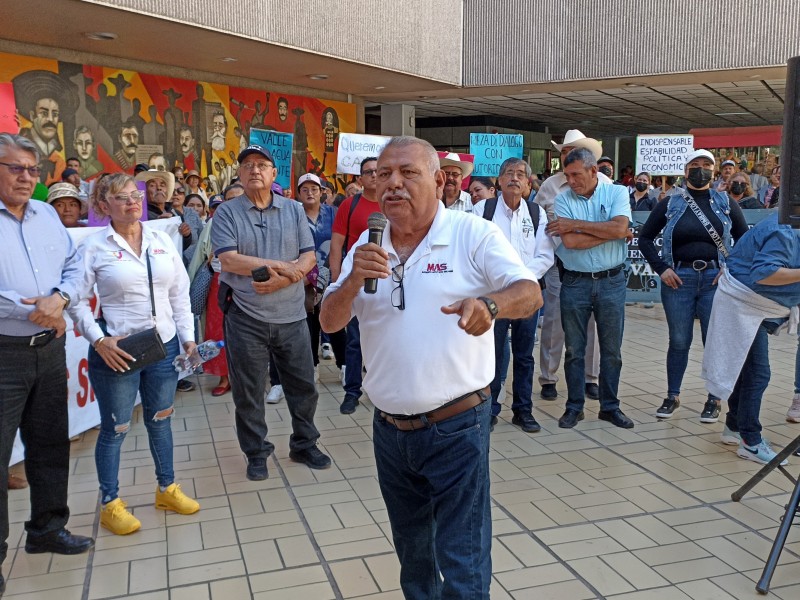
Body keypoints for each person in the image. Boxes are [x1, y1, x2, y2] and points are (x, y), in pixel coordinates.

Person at [320, 136, 541, 598]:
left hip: (456, 427)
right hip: (389, 431)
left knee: (461, 556)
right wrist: (354, 278)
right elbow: (329, 320)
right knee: (413, 555)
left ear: (440, 181)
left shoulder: (471, 234)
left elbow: (529, 292)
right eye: (384, 175)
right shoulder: (368, 240)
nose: (392, 185)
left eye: (408, 173)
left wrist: (489, 304)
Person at [69, 173, 200, 535]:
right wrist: (98, 340)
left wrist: (188, 339)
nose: (132, 202)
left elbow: (179, 294)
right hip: (119, 350)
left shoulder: (160, 239)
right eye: (122, 197)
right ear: (102, 206)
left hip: (164, 345)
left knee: (161, 418)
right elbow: (75, 301)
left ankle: (167, 488)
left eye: (135, 196)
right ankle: (111, 503)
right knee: (115, 428)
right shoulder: (94, 246)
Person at [0, 134, 94, 592]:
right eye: (15, 168)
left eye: (33, 171)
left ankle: (46, 529)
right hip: (4, 351)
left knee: (50, 444)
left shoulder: (45, 217)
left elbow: (75, 266)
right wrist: (32, 310)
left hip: (49, 348)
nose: (26, 178)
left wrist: (59, 300)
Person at [211, 145, 331, 480]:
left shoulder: (293, 210)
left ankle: (304, 443)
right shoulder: (227, 213)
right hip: (246, 317)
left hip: (292, 314)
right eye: (247, 165)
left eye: (262, 165)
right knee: (249, 391)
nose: (254, 170)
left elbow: (308, 256)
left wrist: (282, 281)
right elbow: (229, 259)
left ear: (274, 174)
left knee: (303, 386)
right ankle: (256, 451)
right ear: (240, 173)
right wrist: (282, 267)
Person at [638, 149, 748, 422]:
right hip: (678, 280)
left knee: (713, 341)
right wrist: (661, 269)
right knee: (678, 340)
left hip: (714, 281)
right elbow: (645, 239)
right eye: (695, 165)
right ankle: (672, 395)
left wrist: (729, 269)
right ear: (685, 170)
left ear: (715, 170)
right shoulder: (670, 203)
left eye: (707, 165)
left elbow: (745, 241)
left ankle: (714, 399)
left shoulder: (725, 203)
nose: (701, 169)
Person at [702, 212, 800, 464]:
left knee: (745, 370)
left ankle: (734, 426)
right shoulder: (785, 229)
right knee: (758, 373)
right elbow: (764, 273)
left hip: (755, 305)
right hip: (743, 303)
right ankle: (751, 440)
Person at [546, 147, 633, 430]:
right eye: (567, 175)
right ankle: (574, 407)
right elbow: (571, 243)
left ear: (593, 170)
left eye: (575, 174)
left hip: (611, 281)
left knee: (612, 350)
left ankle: (610, 407)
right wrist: (610, 232)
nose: (571, 180)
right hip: (575, 281)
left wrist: (576, 225)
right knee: (575, 349)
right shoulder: (562, 201)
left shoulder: (617, 193)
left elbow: (620, 229)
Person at [473, 158, 554, 433]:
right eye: (509, 173)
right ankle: (490, 409)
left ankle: (523, 411)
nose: (515, 178)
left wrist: (521, 280)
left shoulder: (536, 213)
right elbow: (474, 251)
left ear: (528, 183)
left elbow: (545, 255)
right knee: (492, 355)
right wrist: (505, 282)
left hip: (527, 297)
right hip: (493, 294)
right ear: (499, 180)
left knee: (524, 356)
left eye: (521, 174)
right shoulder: (483, 210)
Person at [536, 129, 607, 402]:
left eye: (572, 150)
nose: (567, 154)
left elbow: (612, 225)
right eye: (564, 151)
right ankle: (548, 377)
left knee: (593, 323)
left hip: (593, 262)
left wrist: (584, 231)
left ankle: (591, 377)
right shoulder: (550, 186)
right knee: (555, 322)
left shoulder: (605, 184)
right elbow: (543, 226)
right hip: (559, 263)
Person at [328, 157, 380, 414]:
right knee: (354, 340)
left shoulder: (392, 202)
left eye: (377, 171)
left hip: (387, 282)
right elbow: (336, 245)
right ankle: (352, 391)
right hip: (356, 281)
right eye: (367, 172)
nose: (373, 176)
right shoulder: (350, 205)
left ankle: (380, 387)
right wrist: (339, 282)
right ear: (360, 178)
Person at [297, 173, 346, 378]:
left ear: (322, 192)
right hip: (304, 279)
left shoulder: (334, 213)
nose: (310, 193)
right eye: (305, 189)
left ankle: (344, 366)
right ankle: (313, 366)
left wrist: (334, 272)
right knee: (309, 324)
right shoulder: (294, 215)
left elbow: (340, 245)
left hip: (331, 275)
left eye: (314, 189)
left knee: (333, 322)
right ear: (299, 194)